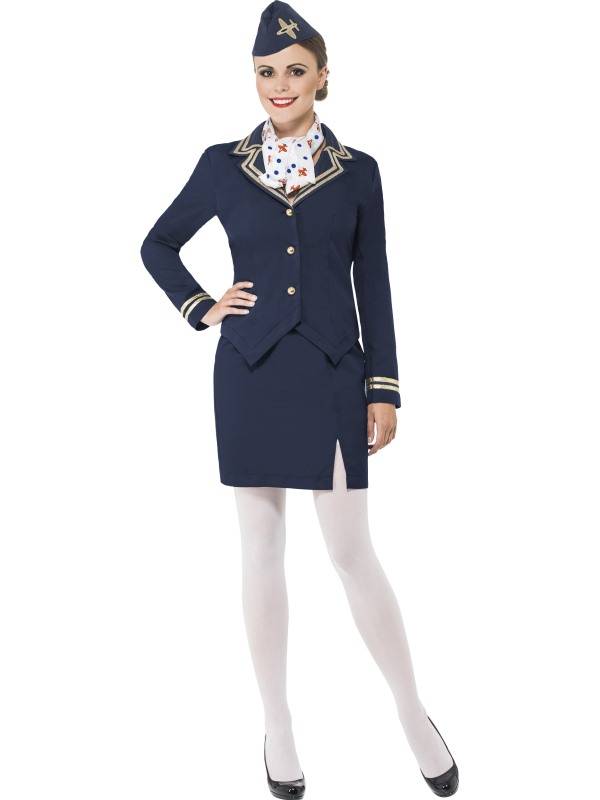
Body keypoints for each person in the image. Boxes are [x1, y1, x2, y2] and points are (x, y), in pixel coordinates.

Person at [140, 2, 459, 796]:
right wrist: (203, 306)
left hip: (332, 375)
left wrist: (383, 387)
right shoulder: (222, 164)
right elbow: (157, 243)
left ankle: (411, 711)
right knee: (260, 551)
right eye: (265, 72)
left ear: (322, 77)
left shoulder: (359, 171)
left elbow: (373, 282)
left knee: (351, 551)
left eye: (293, 70)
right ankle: (277, 727)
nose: (278, 85)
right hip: (249, 373)